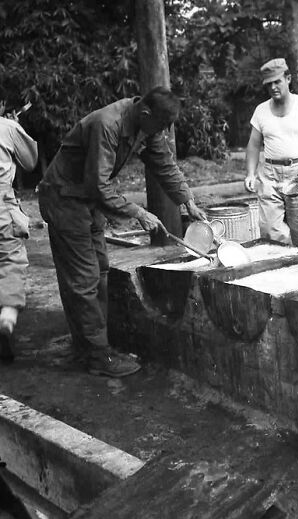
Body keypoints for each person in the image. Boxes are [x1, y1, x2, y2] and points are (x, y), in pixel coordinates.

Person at [38, 86, 207, 377]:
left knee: (100, 271)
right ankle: (96, 357)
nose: (163, 132)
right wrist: (138, 213)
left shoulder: (147, 123)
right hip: (65, 199)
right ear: (145, 112)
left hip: (87, 201)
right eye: (162, 125)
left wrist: (187, 201)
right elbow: (99, 185)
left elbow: (164, 163)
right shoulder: (108, 125)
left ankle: (90, 346)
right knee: (83, 279)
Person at [245, 58, 298, 247]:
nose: (273, 87)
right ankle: (276, 271)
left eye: (277, 82)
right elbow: (253, 145)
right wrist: (250, 173)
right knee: (269, 233)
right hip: (270, 175)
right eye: (269, 84)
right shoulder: (261, 111)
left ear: (288, 79)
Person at [0, 114, 38, 363]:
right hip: (1, 204)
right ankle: (8, 313)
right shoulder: (7, 126)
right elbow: (30, 161)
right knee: (11, 259)